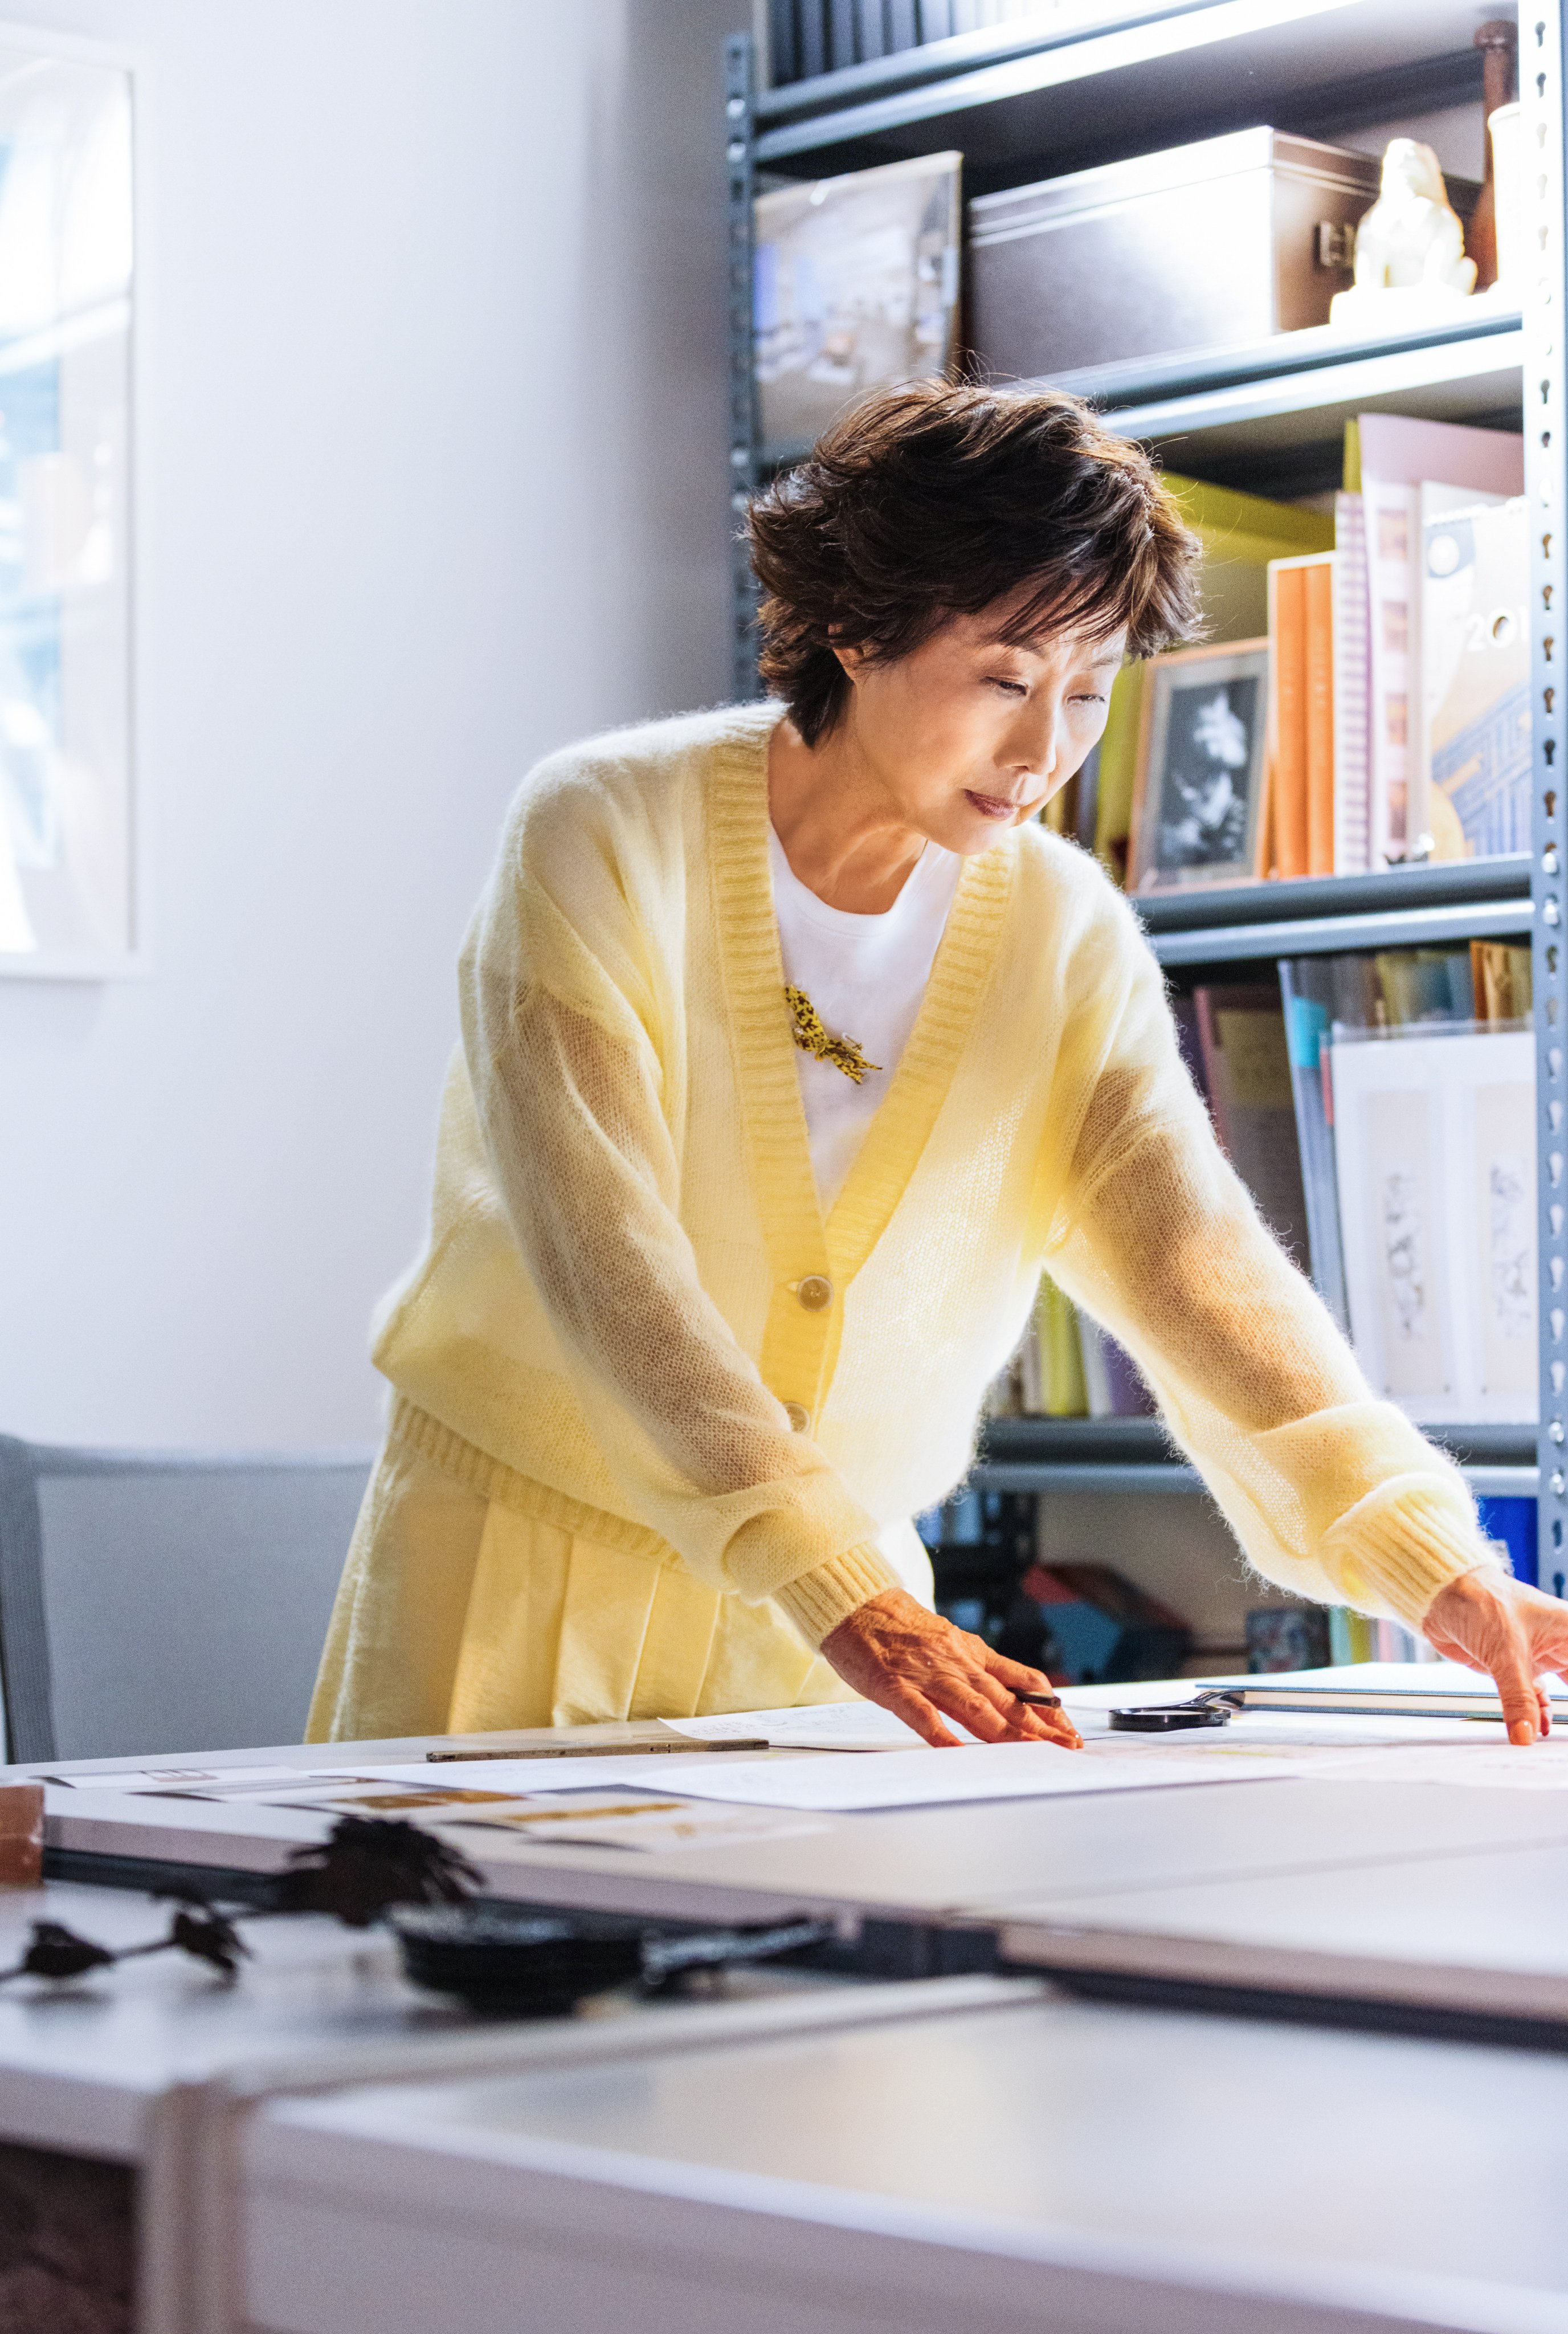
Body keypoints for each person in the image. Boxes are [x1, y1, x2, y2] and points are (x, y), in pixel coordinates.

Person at [308, 382, 1568, 1753]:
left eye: (1086, 695)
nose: (1043, 753)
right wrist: (827, 1574)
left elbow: (1191, 1259)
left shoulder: (1058, 927)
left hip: (842, 1630)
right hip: (528, 1572)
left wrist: (1417, 1547)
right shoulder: (603, 832)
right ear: (857, 626)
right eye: (1003, 680)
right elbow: (601, 1251)